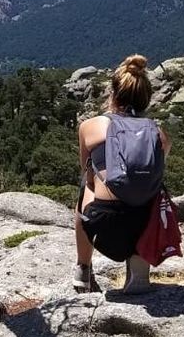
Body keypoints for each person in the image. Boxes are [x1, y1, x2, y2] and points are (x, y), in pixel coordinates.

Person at [73, 54, 170, 293]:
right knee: (150, 191)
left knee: (85, 186)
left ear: (112, 94)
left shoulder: (90, 127)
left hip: (104, 227)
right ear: (146, 99)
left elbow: (88, 176)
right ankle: (138, 265)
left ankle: (83, 269)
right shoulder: (159, 135)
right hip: (147, 227)